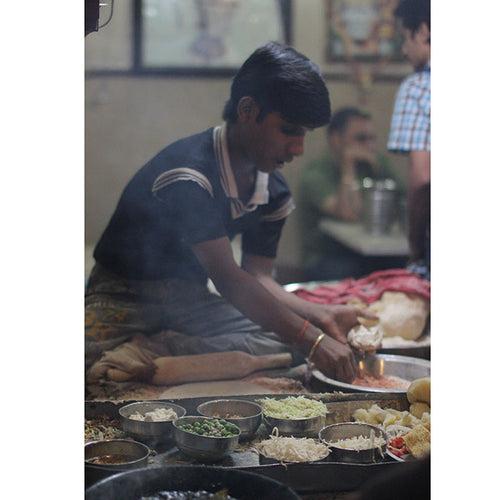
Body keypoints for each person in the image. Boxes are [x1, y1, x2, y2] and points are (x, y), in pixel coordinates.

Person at [85, 42, 377, 384]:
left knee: (282, 342)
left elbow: (258, 276)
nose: (297, 148)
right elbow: (228, 279)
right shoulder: (189, 176)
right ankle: (155, 352)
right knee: (80, 359)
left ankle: (156, 349)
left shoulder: (273, 189)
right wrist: (312, 339)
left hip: (188, 301)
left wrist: (319, 316)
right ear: (248, 110)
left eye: (304, 135)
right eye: (288, 130)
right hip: (120, 297)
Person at [298, 107, 406, 281]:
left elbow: (407, 201)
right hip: (327, 256)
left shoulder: (376, 163)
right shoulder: (316, 174)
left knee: (401, 268)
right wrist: (348, 168)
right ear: (336, 140)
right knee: (353, 272)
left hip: (369, 252)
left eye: (372, 139)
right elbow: (348, 214)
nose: (369, 146)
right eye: (361, 138)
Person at [388, 0, 430, 277]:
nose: (404, 50)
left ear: (423, 31)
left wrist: (416, 248)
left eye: (405, 38)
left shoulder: (418, 87)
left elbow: (422, 177)